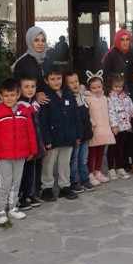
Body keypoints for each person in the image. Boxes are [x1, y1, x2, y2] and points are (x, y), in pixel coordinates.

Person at [0, 79, 38, 224]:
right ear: (1, 96)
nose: (9, 98)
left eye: (12, 95)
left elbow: (31, 132)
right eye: (6, 95)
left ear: (18, 94)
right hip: (4, 155)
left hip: (21, 154)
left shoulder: (25, 111)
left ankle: (13, 207)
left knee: (16, 182)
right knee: (4, 183)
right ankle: (1, 209)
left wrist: (32, 150)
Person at [39, 70, 83, 202]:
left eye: (58, 78)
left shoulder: (69, 94)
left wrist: (78, 133)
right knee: (48, 164)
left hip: (68, 136)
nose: (56, 82)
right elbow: (43, 120)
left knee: (65, 164)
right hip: (52, 138)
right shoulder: (45, 97)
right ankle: (47, 188)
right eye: (52, 79)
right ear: (46, 80)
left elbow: (76, 115)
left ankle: (65, 186)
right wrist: (47, 139)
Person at [15, 76, 45, 210]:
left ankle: (28, 193)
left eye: (32, 86)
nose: (30, 89)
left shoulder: (35, 104)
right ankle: (20, 196)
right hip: (26, 146)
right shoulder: (20, 106)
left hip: (36, 144)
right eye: (26, 87)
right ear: (20, 89)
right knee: (23, 172)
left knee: (31, 171)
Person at [65, 72, 96, 192]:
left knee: (83, 158)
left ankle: (85, 179)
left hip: (86, 134)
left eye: (76, 81)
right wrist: (76, 135)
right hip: (77, 135)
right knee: (74, 159)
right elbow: (72, 119)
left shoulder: (82, 96)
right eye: (71, 82)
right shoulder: (69, 98)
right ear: (67, 84)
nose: (74, 84)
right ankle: (74, 181)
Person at [106, 73, 133, 180]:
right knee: (112, 148)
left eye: (120, 86)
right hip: (115, 128)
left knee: (120, 148)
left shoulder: (126, 97)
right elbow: (111, 113)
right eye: (116, 86)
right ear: (111, 85)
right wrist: (114, 126)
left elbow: (131, 108)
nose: (118, 89)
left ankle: (120, 167)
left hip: (125, 127)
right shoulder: (109, 98)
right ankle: (111, 168)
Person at [84, 73, 113, 185]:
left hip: (104, 129)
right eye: (93, 88)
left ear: (103, 86)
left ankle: (98, 171)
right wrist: (92, 123)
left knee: (101, 151)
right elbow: (86, 113)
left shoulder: (104, 98)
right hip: (94, 129)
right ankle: (89, 173)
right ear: (89, 88)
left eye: (99, 87)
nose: (96, 90)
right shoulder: (88, 99)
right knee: (92, 152)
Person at [12, 26, 54, 104]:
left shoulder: (49, 61)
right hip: (29, 106)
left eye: (43, 40)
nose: (40, 43)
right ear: (30, 41)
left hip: (49, 103)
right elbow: (18, 88)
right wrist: (34, 95)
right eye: (36, 40)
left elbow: (55, 82)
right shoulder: (22, 63)